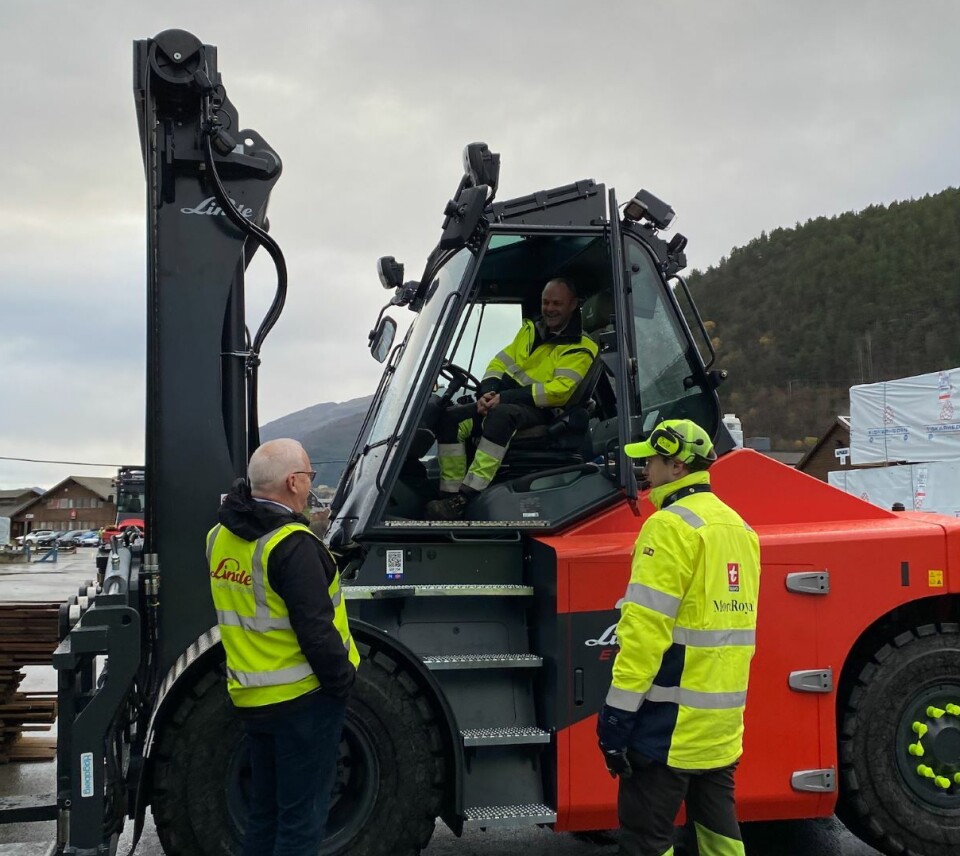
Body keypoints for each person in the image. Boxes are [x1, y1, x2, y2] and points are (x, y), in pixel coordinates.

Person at [597, 419, 761, 856]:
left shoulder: (668, 527)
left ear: (675, 465)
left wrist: (617, 714)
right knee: (721, 842)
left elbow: (644, 634)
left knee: (646, 842)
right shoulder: (741, 529)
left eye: (650, 461)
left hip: (667, 729)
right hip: (721, 729)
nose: (644, 471)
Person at [207, 438, 359, 856]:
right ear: (293, 482)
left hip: (252, 697)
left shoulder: (219, 536)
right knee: (301, 822)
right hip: (302, 701)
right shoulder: (293, 545)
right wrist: (342, 681)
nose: (311, 486)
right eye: (309, 477)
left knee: (265, 814)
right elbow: (317, 632)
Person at [426, 277, 598, 519]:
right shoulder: (530, 332)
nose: (549, 309)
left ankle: (466, 497)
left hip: (543, 410)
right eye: (545, 302)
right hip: (508, 400)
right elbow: (500, 362)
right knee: (451, 419)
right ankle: (449, 496)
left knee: (500, 416)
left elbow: (559, 391)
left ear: (573, 305)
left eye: (557, 303)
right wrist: (487, 390)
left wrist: (503, 398)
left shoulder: (581, 346)